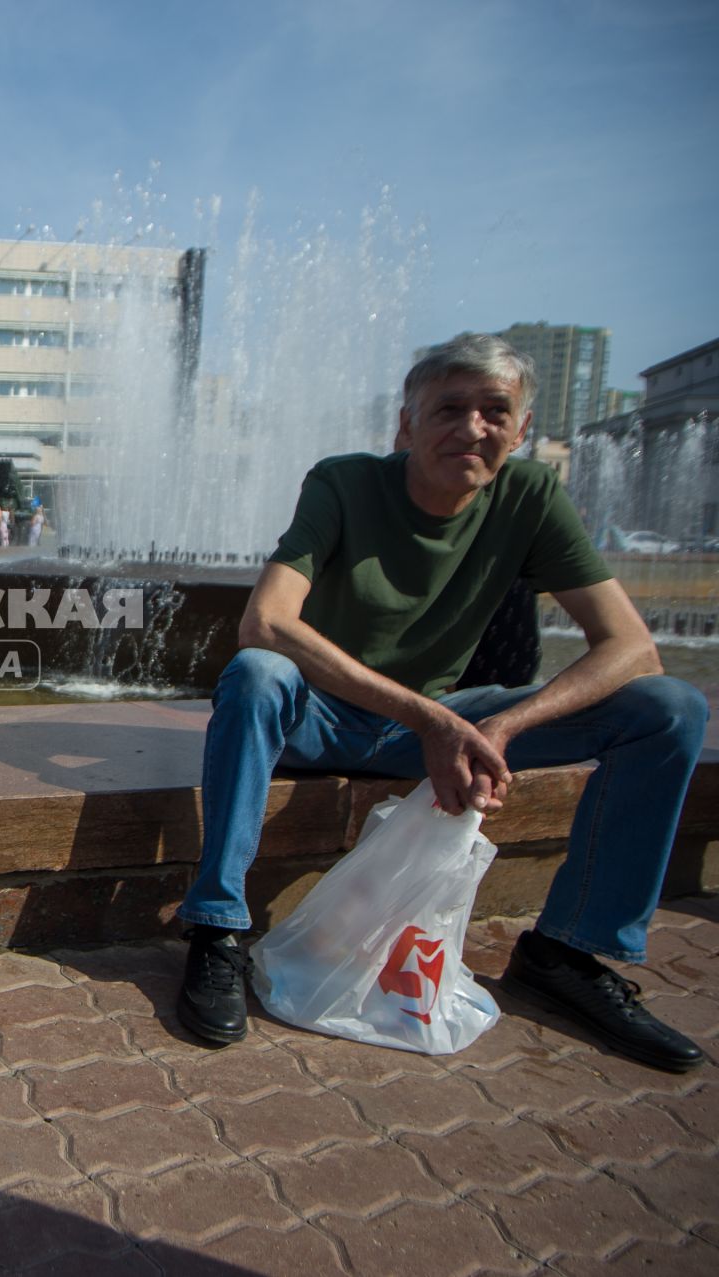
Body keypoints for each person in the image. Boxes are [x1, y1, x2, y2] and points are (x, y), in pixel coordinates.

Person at [172, 334, 708, 1075]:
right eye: (449, 408)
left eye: (496, 411)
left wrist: (501, 724)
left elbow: (630, 648)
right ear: (407, 426)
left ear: (521, 432)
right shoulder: (342, 483)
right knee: (258, 672)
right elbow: (266, 622)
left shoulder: (531, 497)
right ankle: (216, 926)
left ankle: (570, 950)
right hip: (323, 715)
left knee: (669, 706)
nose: (473, 427)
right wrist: (431, 718)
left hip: (445, 719)